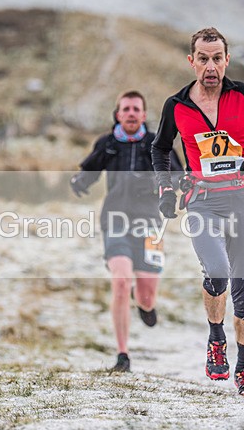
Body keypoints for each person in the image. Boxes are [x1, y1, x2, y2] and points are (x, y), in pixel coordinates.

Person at [151, 27, 244, 397]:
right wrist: (164, 187)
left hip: (241, 201)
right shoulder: (176, 106)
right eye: (203, 59)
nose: (211, 66)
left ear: (227, 60)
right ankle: (215, 338)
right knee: (218, 270)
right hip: (202, 201)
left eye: (217, 58)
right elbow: (160, 149)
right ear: (191, 62)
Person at [71, 90, 183, 372]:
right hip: (115, 220)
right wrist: (80, 182)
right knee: (121, 281)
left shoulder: (160, 144)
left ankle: (144, 304)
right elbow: (91, 169)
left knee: (146, 296)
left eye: (136, 109)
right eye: (126, 109)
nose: (131, 113)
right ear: (118, 114)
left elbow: (179, 176)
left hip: (150, 223)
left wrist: (169, 186)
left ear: (144, 115)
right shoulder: (108, 144)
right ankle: (123, 355)